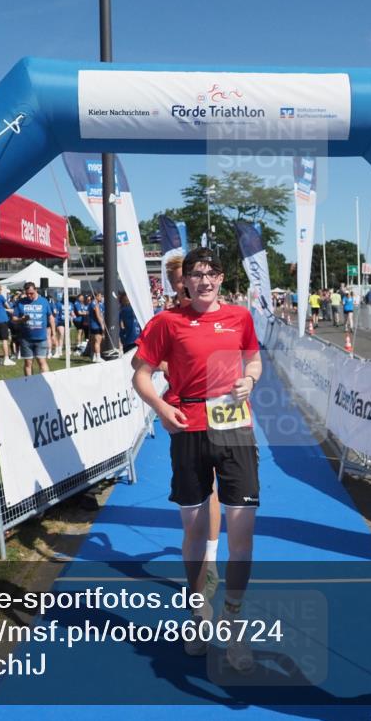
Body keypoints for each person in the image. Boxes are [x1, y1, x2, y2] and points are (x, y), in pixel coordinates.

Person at [132, 248, 262, 670]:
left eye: (211, 273)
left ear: (222, 278)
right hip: (187, 425)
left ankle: (235, 624)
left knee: (242, 530)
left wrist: (249, 379)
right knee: (193, 529)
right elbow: (140, 372)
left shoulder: (240, 317)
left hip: (234, 425)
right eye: (196, 274)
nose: (204, 281)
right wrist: (159, 406)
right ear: (184, 280)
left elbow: (254, 360)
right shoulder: (167, 322)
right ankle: (197, 614)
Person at [11, 281, 55, 375]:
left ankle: (46, 383)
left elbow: (50, 317)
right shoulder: (20, 302)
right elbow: (14, 319)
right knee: (28, 363)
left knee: (42, 361)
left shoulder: (43, 301)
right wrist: (21, 320)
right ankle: (29, 385)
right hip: (26, 338)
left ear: (36, 290)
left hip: (41, 338)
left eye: (31, 293)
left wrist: (53, 334)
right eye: (27, 294)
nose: (29, 296)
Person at [0, 283, 15, 366]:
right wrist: (8, 310)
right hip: (2, 320)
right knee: (4, 340)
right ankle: (6, 359)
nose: (1, 291)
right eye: (0, 290)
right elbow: (7, 306)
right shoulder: (0, 297)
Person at [88, 291, 106, 362]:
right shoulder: (95, 303)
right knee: (97, 341)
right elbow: (98, 315)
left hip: (93, 325)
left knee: (93, 341)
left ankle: (94, 356)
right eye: (100, 296)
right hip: (96, 325)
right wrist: (102, 325)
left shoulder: (96, 303)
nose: (101, 297)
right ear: (96, 296)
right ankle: (98, 357)